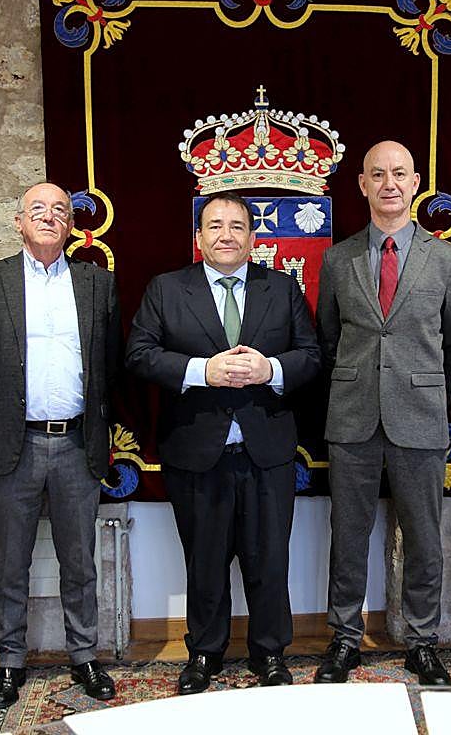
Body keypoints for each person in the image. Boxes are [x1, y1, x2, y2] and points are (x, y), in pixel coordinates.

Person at [125, 192, 320, 694]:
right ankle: (204, 653)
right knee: (204, 561)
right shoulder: (167, 289)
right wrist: (201, 370)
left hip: (267, 452)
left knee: (269, 560)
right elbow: (139, 354)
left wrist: (270, 369)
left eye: (237, 226)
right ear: (199, 237)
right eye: (215, 226)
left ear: (253, 238)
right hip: (196, 452)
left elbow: (312, 356)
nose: (226, 235)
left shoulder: (282, 288)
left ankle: (270, 652)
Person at [314, 140, 451, 686]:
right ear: (362, 184)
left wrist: (427, 392)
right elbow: (328, 338)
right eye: (378, 174)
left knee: (423, 537)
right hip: (352, 417)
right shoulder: (338, 259)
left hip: (420, 417)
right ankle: (344, 638)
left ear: (415, 183)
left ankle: (422, 641)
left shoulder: (447, 260)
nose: (389, 183)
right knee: (348, 534)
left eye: (399, 174)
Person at [0, 182, 122, 709]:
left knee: (80, 561)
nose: (50, 217)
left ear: (71, 225)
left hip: (77, 442)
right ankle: (10, 660)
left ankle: (84, 655)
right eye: (38, 209)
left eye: (60, 210)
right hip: (16, 442)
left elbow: (111, 360)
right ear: (18, 221)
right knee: (11, 562)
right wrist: (3, 399)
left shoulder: (97, 283)